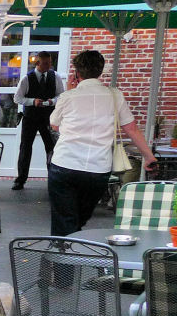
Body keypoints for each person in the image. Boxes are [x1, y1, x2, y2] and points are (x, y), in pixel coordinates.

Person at [47, 50, 157, 236]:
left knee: (63, 222)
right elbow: (131, 129)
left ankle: (61, 260)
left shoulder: (68, 97)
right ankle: (70, 252)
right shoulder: (115, 95)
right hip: (97, 170)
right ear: (100, 71)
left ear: (77, 73)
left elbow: (54, 126)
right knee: (78, 220)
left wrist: (70, 92)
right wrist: (149, 156)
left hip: (65, 164)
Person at [12, 51, 65, 190]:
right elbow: (17, 98)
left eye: (50, 62)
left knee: (51, 147)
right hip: (30, 117)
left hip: (49, 117)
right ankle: (20, 179)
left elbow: (61, 95)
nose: (49, 65)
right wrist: (32, 101)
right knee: (25, 147)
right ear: (38, 63)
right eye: (46, 63)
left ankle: (53, 179)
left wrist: (52, 101)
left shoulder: (56, 77)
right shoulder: (27, 78)